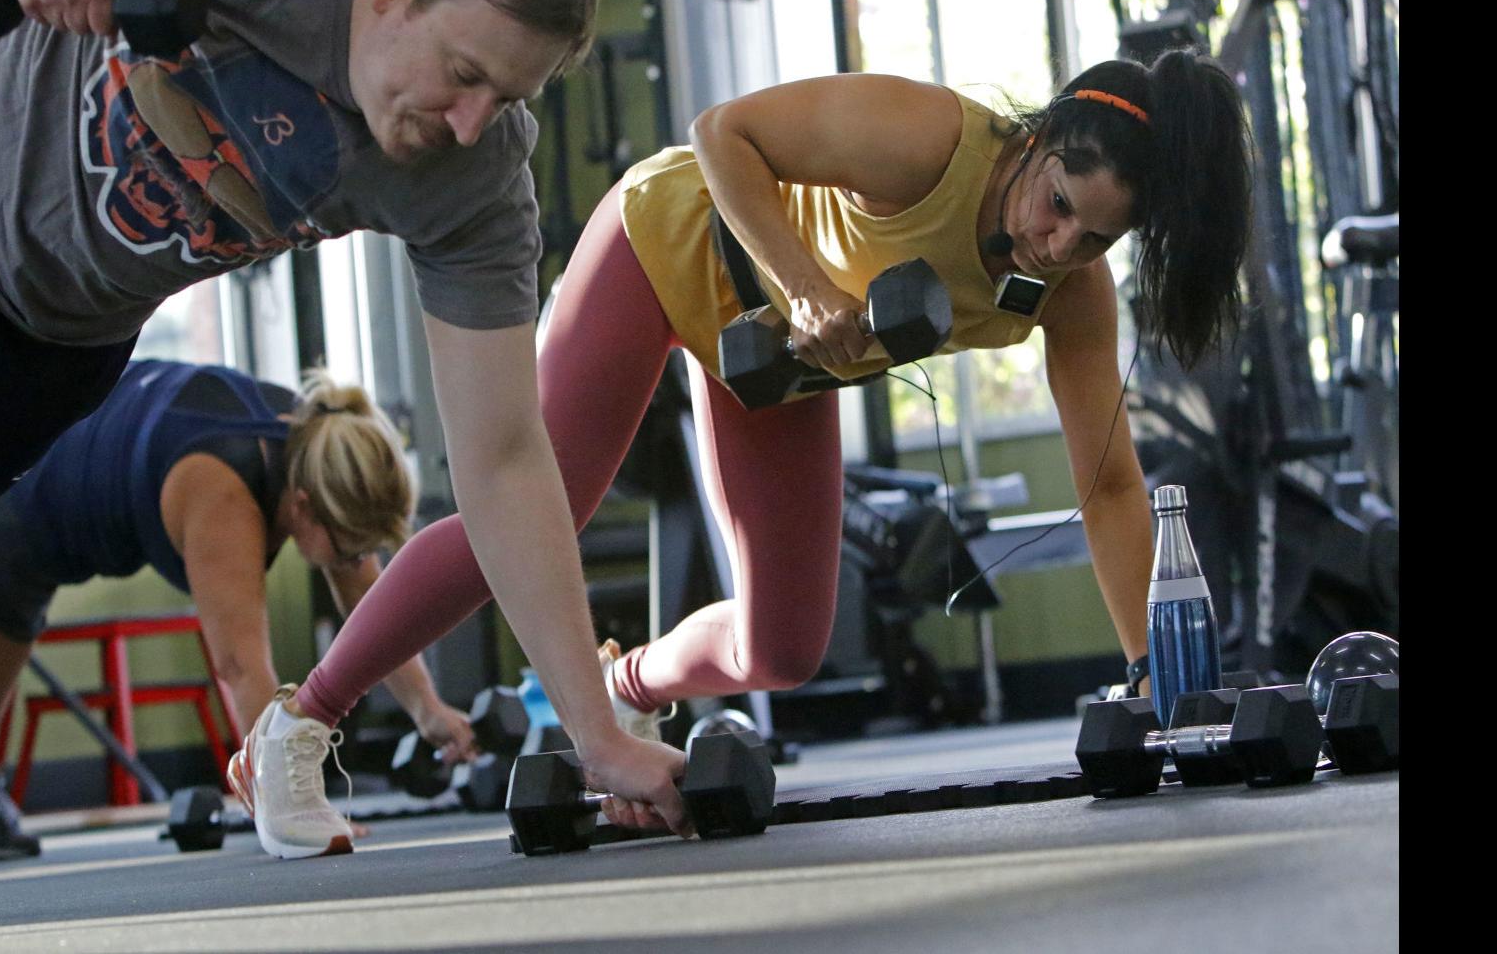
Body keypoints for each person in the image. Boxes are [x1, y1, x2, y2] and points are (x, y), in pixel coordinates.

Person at [239, 49, 1254, 856]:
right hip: (673, 242)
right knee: (536, 513)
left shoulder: (1069, 296)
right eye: (1059, 205)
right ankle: (297, 724)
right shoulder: (928, 138)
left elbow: (1108, 483)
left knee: (783, 647)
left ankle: (625, 685)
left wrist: (1148, 676)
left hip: (777, 358)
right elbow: (720, 132)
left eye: (1094, 240)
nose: (1058, 246)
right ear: (1037, 141)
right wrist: (806, 285)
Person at [0, 0, 689, 860]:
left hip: (45, 338)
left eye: (507, 98)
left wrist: (597, 735)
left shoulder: (474, 180)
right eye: (464, 74)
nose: (469, 122)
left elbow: (505, 459)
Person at [0, 359, 473, 861]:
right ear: (304, 507)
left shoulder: (318, 448)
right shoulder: (220, 485)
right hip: (1, 507)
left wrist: (428, 709)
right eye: (351, 551)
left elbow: (369, 605)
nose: (358, 564)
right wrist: (292, 804)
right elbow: (240, 666)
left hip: (43, 476)